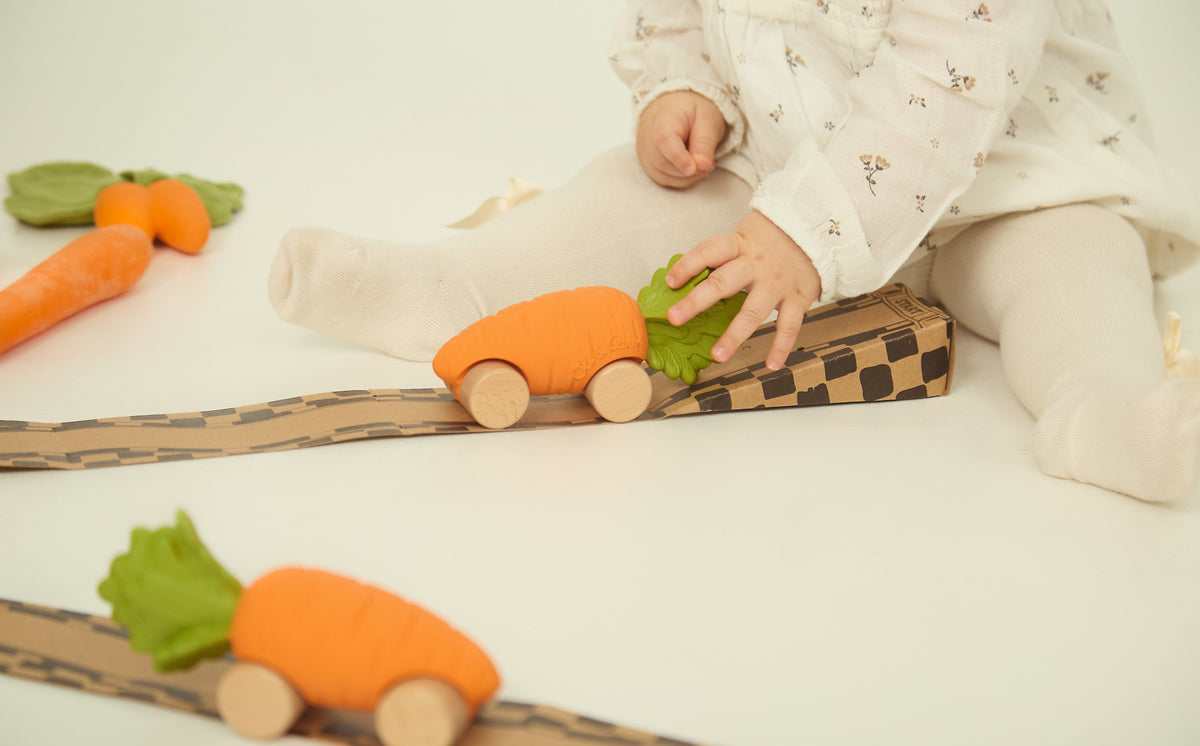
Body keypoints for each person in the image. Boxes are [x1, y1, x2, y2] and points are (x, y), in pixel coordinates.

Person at [267, 0, 1200, 502]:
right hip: (775, 171)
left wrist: (808, 231)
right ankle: (454, 287)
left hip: (1011, 183)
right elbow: (671, 10)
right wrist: (681, 88)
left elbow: (942, 89)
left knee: (1073, 266)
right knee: (625, 204)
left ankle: (1101, 408)